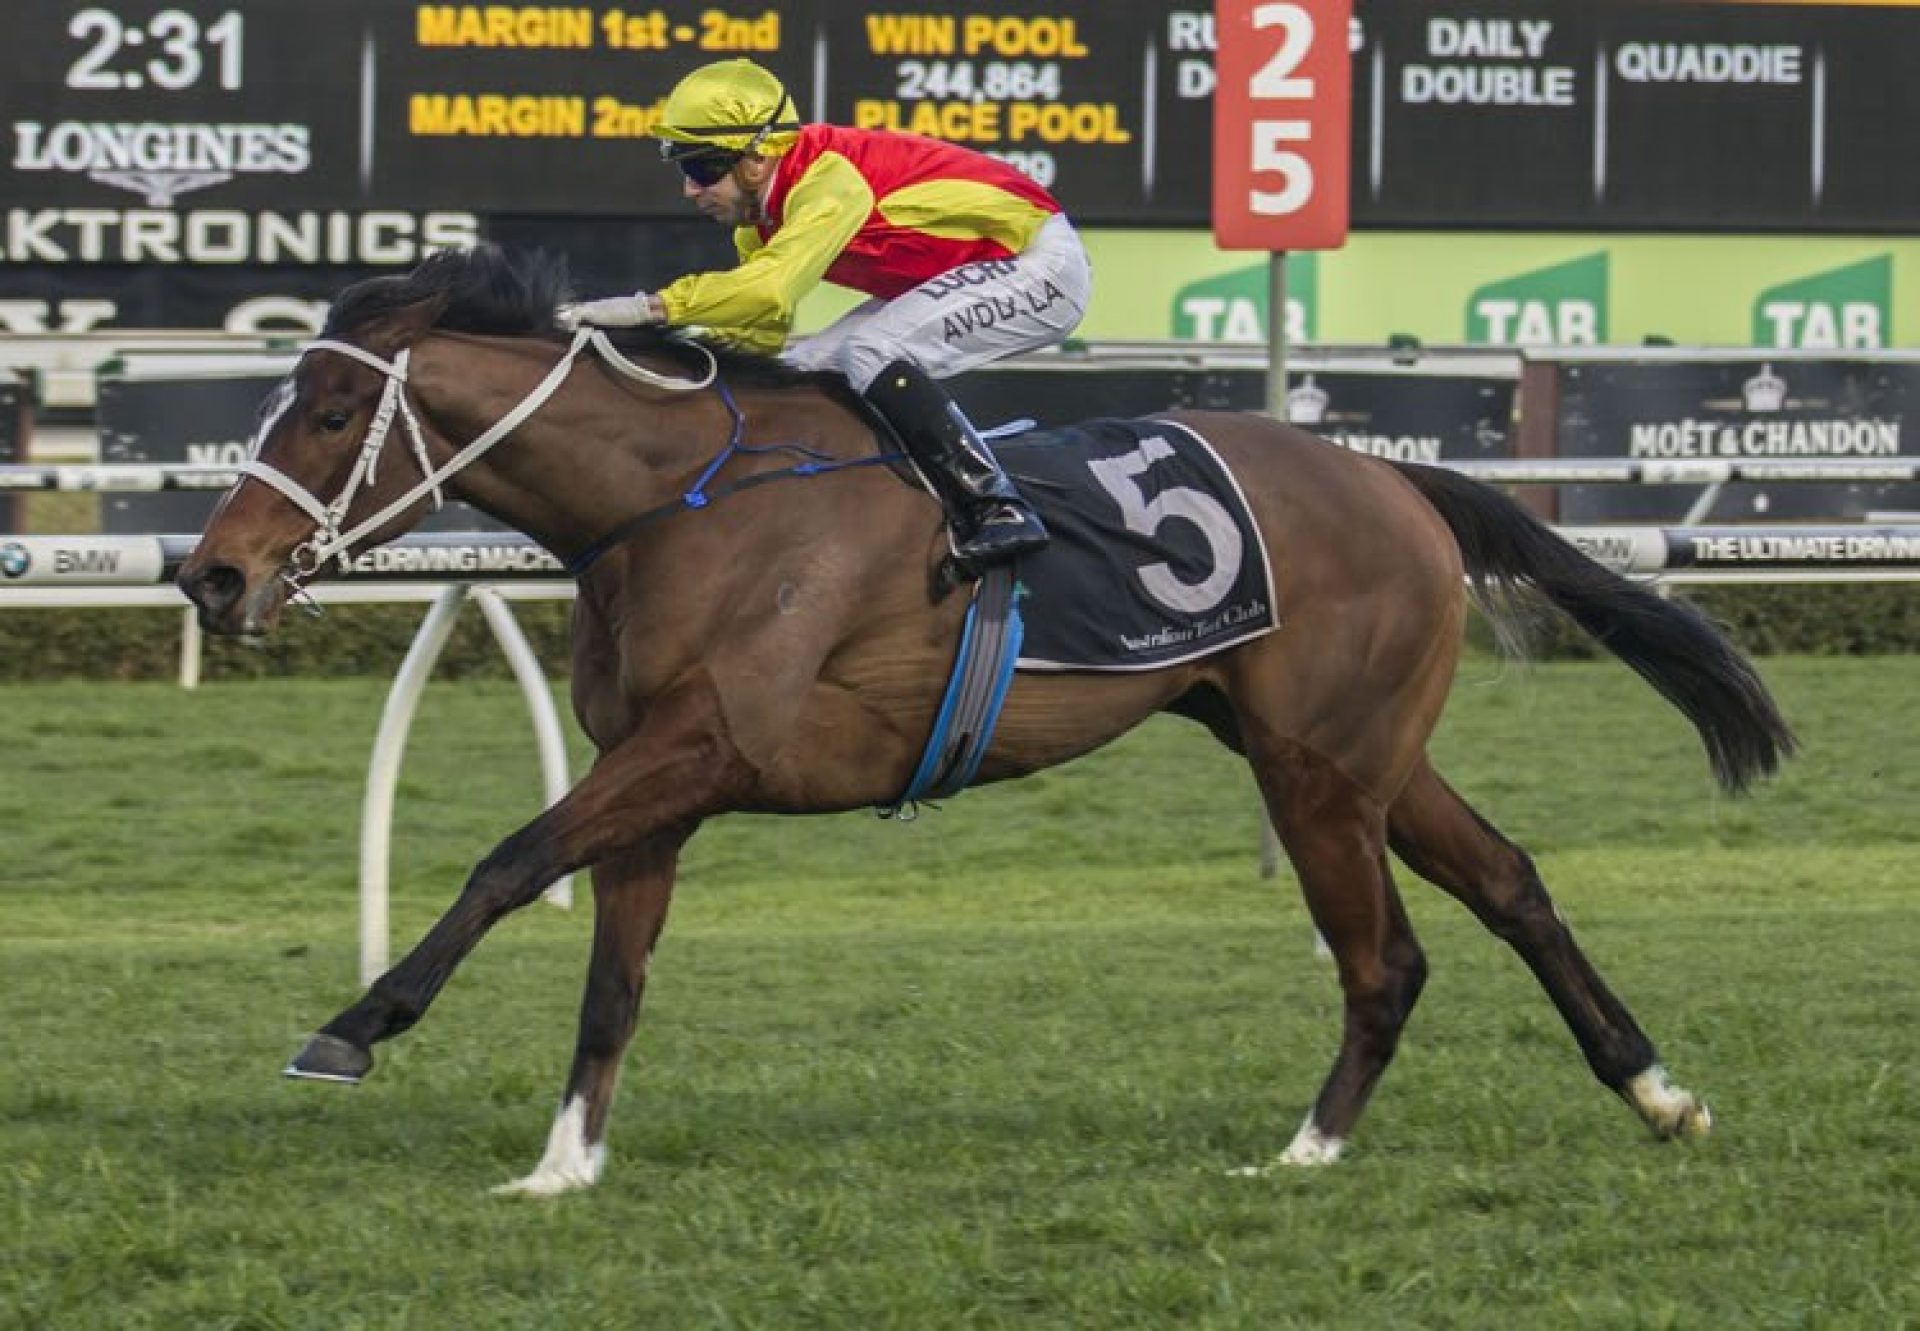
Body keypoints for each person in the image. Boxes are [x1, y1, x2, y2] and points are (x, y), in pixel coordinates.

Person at [566, 58, 1093, 573]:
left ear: (755, 158)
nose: (690, 188)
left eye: (701, 167)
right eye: (683, 168)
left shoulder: (828, 180)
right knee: (802, 370)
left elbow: (768, 290)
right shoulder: (758, 224)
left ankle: (994, 504)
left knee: (870, 351)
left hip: (1037, 263)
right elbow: (761, 338)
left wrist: (648, 309)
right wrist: (663, 368)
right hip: (965, 269)